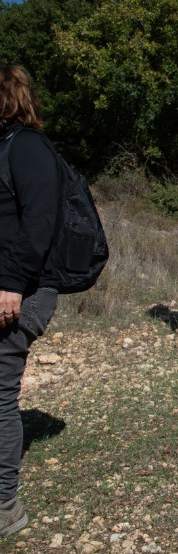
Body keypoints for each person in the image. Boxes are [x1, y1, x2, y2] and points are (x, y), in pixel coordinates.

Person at [0, 65, 64, 536]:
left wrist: (11, 283)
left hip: (18, 290)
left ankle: (5, 506)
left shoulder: (27, 148)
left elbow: (39, 221)